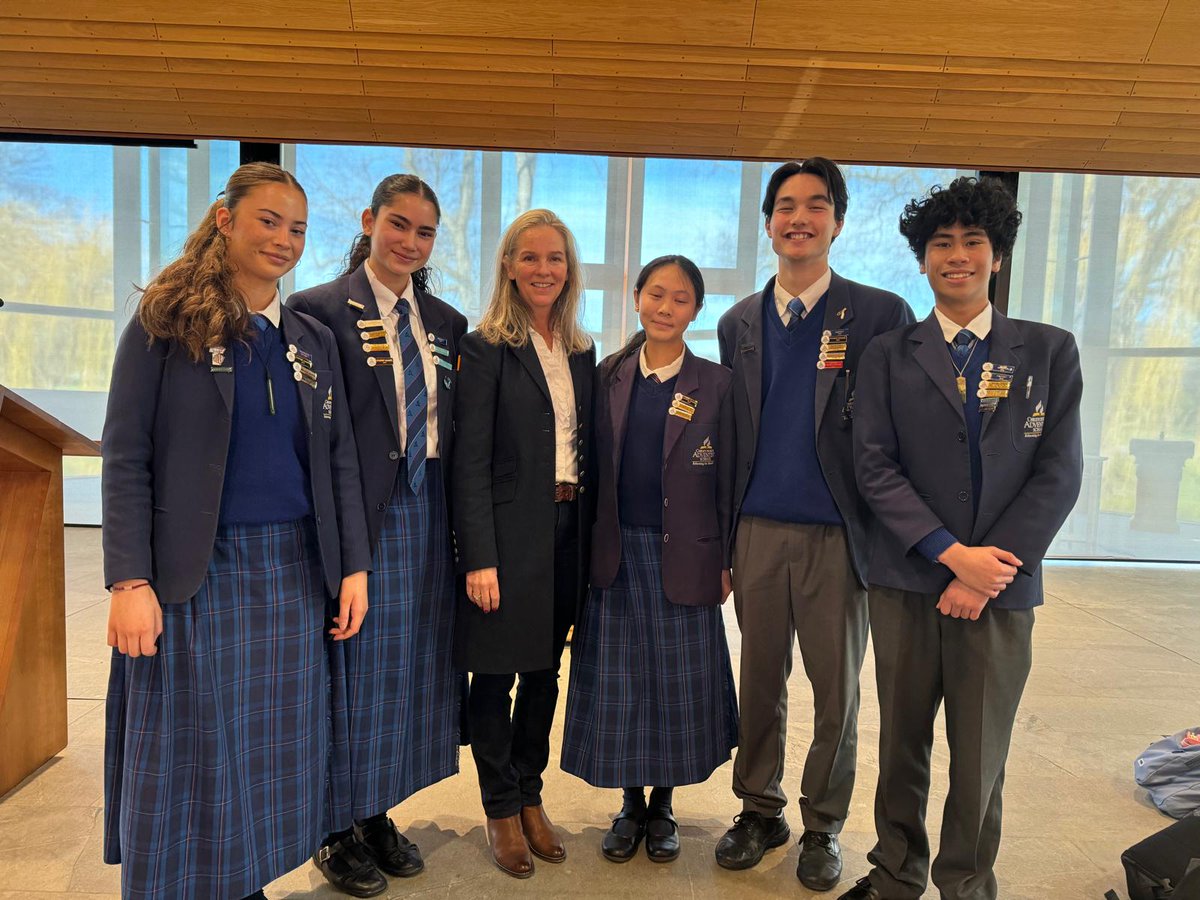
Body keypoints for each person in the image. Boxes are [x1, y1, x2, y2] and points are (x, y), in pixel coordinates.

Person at [101, 162, 370, 900]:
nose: (285, 240)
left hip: (293, 572)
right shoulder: (166, 320)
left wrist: (353, 568)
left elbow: (339, 460)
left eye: (298, 229)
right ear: (226, 220)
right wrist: (129, 579)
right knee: (193, 749)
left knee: (266, 750)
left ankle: (244, 880)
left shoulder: (310, 340)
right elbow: (127, 453)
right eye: (268, 221)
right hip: (196, 572)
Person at [840, 176, 1083, 900]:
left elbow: (1058, 473)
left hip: (1002, 595)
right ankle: (895, 873)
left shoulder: (1047, 352)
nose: (957, 256)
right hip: (909, 581)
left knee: (981, 755)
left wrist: (987, 572)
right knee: (903, 746)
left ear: (997, 256)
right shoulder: (889, 353)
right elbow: (873, 467)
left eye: (973, 242)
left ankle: (968, 883)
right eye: (941, 244)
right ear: (922, 261)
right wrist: (952, 557)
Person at [715, 157, 914, 891]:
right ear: (768, 222)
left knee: (837, 694)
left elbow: (899, 428)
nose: (799, 217)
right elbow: (732, 436)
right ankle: (758, 809)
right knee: (759, 682)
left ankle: (822, 824)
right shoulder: (738, 322)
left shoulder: (879, 314)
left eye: (816, 205)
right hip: (758, 531)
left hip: (841, 536)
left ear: (837, 220)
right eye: (786, 205)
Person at [287, 174, 468, 898]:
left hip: (428, 519)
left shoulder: (445, 322)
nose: (410, 242)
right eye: (399, 224)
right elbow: (317, 434)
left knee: (405, 676)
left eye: (424, 232)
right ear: (369, 221)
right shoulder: (318, 311)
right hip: (361, 514)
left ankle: (377, 810)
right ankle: (335, 826)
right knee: (351, 671)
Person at [561, 255, 739, 864]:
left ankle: (664, 805)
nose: (665, 308)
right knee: (620, 683)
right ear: (636, 297)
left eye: (681, 299)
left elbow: (731, 480)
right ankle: (630, 802)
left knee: (674, 685)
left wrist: (729, 559)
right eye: (656, 294)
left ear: (697, 309)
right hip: (614, 554)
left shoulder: (717, 384)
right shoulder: (606, 373)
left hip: (685, 556)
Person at [452, 208, 595, 879]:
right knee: (497, 673)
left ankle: (532, 793)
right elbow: (469, 461)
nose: (544, 270)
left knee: (545, 670)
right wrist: (478, 555)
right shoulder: (485, 349)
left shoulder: (581, 349)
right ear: (508, 265)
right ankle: (501, 805)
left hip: (569, 530)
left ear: (571, 271)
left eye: (555, 259)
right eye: (530, 257)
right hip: (508, 538)